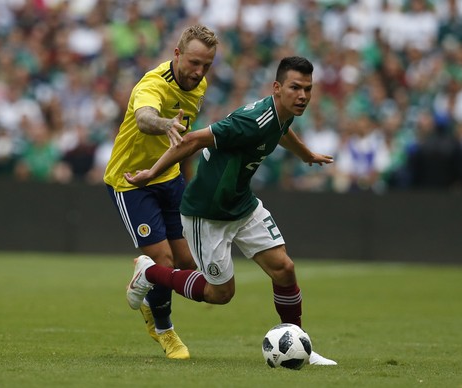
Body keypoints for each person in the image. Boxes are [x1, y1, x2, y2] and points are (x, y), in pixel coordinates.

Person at [124, 56, 337, 365]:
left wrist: (306, 155)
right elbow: (193, 140)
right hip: (207, 212)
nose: (303, 96)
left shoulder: (284, 112)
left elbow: (282, 131)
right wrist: (151, 173)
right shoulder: (251, 120)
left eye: (308, 89)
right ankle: (149, 272)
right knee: (219, 294)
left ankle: (298, 344)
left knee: (284, 268)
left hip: (242, 204)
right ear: (277, 88)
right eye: (295, 88)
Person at [103, 25, 219, 360]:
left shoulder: (199, 85)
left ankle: (145, 278)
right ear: (177, 54)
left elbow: (183, 141)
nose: (199, 72)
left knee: (187, 262)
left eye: (206, 66)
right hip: (132, 181)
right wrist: (165, 123)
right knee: (164, 260)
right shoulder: (152, 85)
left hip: (168, 176)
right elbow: (144, 118)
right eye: (194, 63)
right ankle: (163, 330)